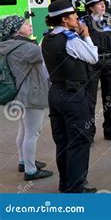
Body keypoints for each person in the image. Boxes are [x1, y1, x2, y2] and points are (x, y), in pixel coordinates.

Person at [41, 0, 99, 193]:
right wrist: (87, 36)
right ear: (65, 19)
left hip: (55, 93)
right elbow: (93, 57)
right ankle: (75, 188)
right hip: (73, 95)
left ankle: (65, 184)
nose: (77, 18)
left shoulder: (47, 38)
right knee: (79, 141)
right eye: (74, 15)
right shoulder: (71, 39)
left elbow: (45, 70)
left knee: (63, 141)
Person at [0, 16, 53, 181]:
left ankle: (23, 161)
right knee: (33, 133)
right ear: (16, 30)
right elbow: (46, 56)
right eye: (24, 24)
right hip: (31, 96)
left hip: (16, 96)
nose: (29, 25)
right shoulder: (26, 47)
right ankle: (30, 171)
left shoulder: (7, 46)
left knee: (23, 130)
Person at [81, 0, 111, 142]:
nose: (102, 5)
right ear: (91, 7)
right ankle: (89, 133)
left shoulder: (108, 20)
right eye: (98, 4)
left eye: (103, 3)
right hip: (93, 64)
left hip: (110, 62)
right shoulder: (83, 22)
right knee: (90, 100)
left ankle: (109, 130)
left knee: (110, 97)